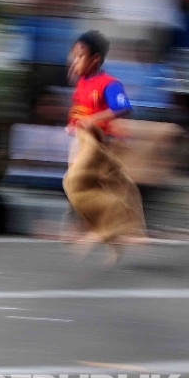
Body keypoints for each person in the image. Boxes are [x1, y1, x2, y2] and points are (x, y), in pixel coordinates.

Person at [62, 30, 147, 265]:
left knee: (84, 186)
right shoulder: (81, 84)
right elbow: (78, 112)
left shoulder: (108, 84)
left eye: (80, 57)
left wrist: (95, 119)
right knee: (79, 189)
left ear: (95, 59)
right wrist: (72, 125)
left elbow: (123, 107)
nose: (75, 62)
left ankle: (101, 231)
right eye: (74, 57)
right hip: (81, 143)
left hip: (100, 146)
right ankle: (109, 239)